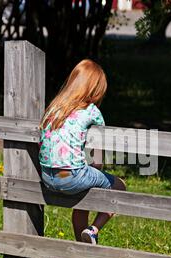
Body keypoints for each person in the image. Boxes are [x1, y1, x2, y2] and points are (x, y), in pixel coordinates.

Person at [38, 59, 126, 245]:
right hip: (73, 176)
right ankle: (93, 230)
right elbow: (98, 155)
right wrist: (97, 168)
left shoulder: (54, 107)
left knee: (85, 197)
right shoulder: (92, 111)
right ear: (94, 90)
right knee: (120, 186)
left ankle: (83, 248)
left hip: (47, 176)